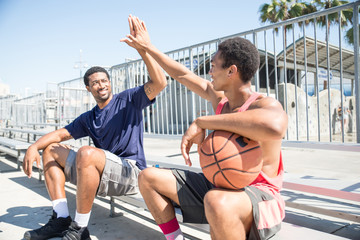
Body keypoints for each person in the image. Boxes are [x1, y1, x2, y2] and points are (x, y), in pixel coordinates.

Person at [121, 16, 288, 240]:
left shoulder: (264, 104)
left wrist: (202, 122)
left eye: (213, 67)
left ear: (231, 71)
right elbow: (181, 74)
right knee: (148, 177)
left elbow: (275, 127)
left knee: (216, 200)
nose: (209, 72)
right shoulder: (219, 99)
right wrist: (147, 47)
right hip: (217, 184)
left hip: (259, 196)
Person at [22, 18, 167, 240]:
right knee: (50, 150)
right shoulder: (89, 117)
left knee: (86, 153)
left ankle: (80, 230)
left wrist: (144, 49)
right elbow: (61, 133)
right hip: (103, 174)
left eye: (104, 80)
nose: (102, 85)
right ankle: (61, 219)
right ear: (88, 88)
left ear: (110, 83)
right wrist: (34, 146)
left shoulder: (128, 99)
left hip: (130, 173)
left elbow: (160, 83)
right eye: (96, 82)